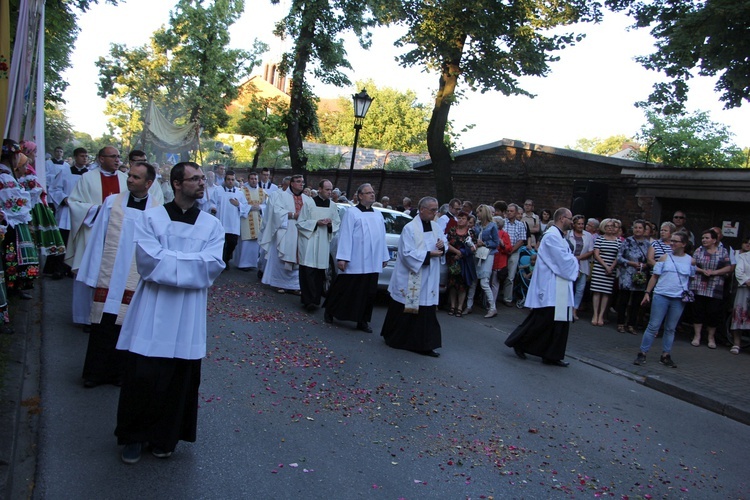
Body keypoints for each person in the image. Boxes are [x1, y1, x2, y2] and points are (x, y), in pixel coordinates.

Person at [114, 162, 225, 464]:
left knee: (179, 378)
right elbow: (149, 264)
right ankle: (134, 437)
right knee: (143, 375)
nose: (202, 183)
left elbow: (212, 266)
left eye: (203, 178)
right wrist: (191, 262)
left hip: (188, 313)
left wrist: (171, 259)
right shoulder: (151, 218)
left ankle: (166, 436)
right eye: (194, 179)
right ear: (176, 184)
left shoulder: (212, 225)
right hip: (154, 307)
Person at [76, 163, 161, 388]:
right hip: (110, 274)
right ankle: (94, 373)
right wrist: (93, 273)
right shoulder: (111, 203)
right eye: (130, 175)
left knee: (128, 325)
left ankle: (120, 374)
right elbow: (97, 240)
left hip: (136, 277)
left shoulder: (157, 210)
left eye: (135, 177)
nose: (129, 179)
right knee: (103, 323)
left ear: (149, 183)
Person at [66, 146, 164, 325]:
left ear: (148, 183)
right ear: (101, 158)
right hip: (98, 234)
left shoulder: (154, 207)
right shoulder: (90, 180)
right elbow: (73, 203)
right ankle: (88, 318)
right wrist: (97, 211)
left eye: (119, 157)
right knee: (98, 278)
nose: (117, 160)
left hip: (130, 250)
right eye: (113, 156)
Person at [504, 208, 579, 367]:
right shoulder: (552, 236)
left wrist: (571, 260)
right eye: (570, 218)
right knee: (542, 321)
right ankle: (519, 342)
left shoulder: (559, 236)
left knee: (558, 322)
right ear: (562, 218)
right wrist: (574, 261)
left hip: (559, 286)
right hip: (551, 286)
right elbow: (562, 261)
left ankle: (552, 355)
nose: (572, 222)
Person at [381, 196, 446, 357]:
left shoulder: (436, 227)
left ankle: (425, 345)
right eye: (432, 210)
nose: (435, 213)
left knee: (426, 311)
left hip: (428, 276)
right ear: (422, 209)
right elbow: (406, 253)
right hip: (412, 276)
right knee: (406, 309)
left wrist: (442, 246)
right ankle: (397, 339)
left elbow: (444, 242)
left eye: (436, 209)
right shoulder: (410, 228)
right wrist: (429, 254)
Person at [324, 183, 389, 332]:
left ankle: (362, 320)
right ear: (360, 196)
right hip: (356, 259)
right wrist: (342, 258)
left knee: (369, 292)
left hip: (372, 261)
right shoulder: (352, 213)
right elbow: (345, 235)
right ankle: (331, 310)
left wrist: (384, 256)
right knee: (346, 288)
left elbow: (381, 237)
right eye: (368, 193)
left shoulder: (378, 214)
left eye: (373, 192)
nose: (372, 195)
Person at [633, 231, 694, 368]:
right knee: (653, 326)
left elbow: (690, 279)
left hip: (678, 298)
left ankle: (666, 355)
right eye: (671, 240)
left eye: (675, 241)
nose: (672, 243)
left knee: (671, 328)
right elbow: (655, 276)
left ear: (683, 244)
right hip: (661, 295)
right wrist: (647, 292)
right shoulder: (664, 258)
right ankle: (642, 353)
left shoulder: (690, 260)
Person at [296, 179, 340, 311]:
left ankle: (315, 300)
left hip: (323, 243)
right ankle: (307, 300)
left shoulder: (332, 206)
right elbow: (300, 222)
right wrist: (316, 223)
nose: (329, 192)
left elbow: (337, 222)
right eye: (327, 189)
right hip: (309, 241)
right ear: (319, 189)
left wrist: (331, 224)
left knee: (319, 272)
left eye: (331, 189)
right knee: (308, 272)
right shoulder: (309, 203)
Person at [259, 174, 305, 293]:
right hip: (284, 229)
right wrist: (292, 215)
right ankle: (278, 283)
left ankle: (295, 286)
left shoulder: (306, 198)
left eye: (302, 182)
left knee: (298, 257)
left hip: (300, 231)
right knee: (281, 256)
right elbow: (275, 212)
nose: (302, 184)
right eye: (299, 181)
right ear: (292, 184)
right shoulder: (279, 195)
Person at [690, 228, 732, 348]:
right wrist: (702, 270)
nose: (704, 240)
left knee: (713, 312)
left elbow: (728, 268)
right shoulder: (699, 250)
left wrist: (714, 272)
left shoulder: (722, 251)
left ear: (714, 240)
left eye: (707, 238)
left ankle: (711, 337)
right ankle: (697, 336)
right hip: (699, 285)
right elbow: (692, 265)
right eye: (703, 238)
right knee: (698, 311)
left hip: (715, 287)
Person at [615, 220, 651, 334]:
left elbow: (650, 260)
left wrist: (645, 265)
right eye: (636, 227)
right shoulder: (627, 241)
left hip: (640, 275)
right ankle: (620, 323)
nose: (638, 230)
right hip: (627, 274)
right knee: (624, 300)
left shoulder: (648, 244)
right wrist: (630, 263)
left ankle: (631, 324)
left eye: (640, 228)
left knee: (636, 302)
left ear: (644, 230)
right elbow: (619, 257)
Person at [466, 205, 499, 318]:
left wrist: (484, 243)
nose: (477, 215)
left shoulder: (492, 226)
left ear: (484, 213)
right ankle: (468, 305)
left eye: (479, 212)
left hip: (488, 254)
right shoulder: (477, 226)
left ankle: (492, 307)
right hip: (478, 253)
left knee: (484, 282)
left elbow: (496, 243)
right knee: (474, 280)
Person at [590, 218, 621, 326]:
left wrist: (611, 267)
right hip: (600, 268)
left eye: (612, 226)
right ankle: (595, 314)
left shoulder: (618, 241)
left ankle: (601, 315)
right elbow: (596, 254)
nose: (609, 228)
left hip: (611, 270)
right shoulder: (600, 239)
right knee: (597, 292)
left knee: (606, 293)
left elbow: (618, 256)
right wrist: (605, 266)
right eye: (607, 226)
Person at [215, 170, 249, 268]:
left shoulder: (239, 193)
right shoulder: (218, 190)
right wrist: (213, 208)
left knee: (233, 243)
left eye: (232, 179)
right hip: (221, 221)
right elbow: (212, 203)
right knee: (221, 244)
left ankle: (226, 258)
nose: (230, 181)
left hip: (233, 223)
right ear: (225, 180)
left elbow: (245, 207)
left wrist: (238, 205)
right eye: (228, 179)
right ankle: (223, 261)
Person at [445, 211, 476, 317]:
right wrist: (456, 252)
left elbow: (474, 246)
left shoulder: (470, 233)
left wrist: (462, 253)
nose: (461, 220)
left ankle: (460, 306)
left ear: (467, 221)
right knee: (453, 284)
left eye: (463, 218)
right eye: (459, 218)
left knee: (462, 285)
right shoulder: (452, 231)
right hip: (453, 259)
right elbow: (447, 243)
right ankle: (453, 305)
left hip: (464, 261)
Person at [233, 171, 265, 271]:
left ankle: (252, 263)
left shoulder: (262, 191)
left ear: (258, 180)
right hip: (246, 219)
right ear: (248, 179)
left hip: (258, 218)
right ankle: (242, 264)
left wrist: (260, 207)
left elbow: (267, 205)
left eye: (255, 179)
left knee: (256, 242)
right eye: (252, 178)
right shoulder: (242, 191)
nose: (254, 180)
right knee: (245, 242)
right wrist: (249, 207)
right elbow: (238, 204)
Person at [565, 214, 595, 320]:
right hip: (570, 264)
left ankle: (574, 310)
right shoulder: (568, 234)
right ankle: (566, 308)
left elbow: (591, 251)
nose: (581, 226)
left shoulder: (588, 236)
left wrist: (579, 257)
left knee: (580, 288)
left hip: (583, 264)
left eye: (583, 224)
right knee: (569, 287)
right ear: (574, 224)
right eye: (579, 224)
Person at [730, 236, 750, 355]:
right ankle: (736, 343)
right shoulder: (743, 257)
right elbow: (739, 271)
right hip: (744, 290)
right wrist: (748, 281)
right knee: (739, 315)